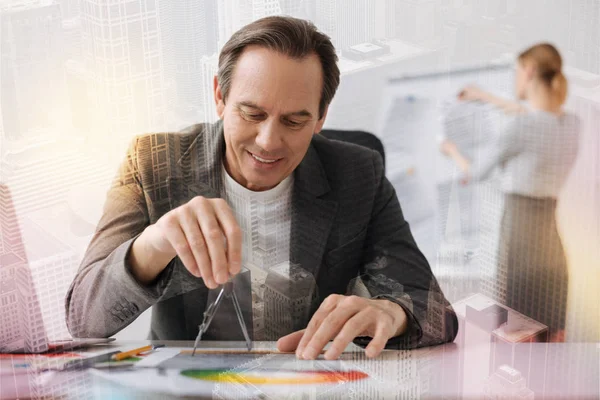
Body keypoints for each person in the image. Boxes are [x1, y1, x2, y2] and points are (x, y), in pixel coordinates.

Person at [66, 16, 458, 359]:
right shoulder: (152, 162)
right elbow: (83, 319)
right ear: (220, 96)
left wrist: (394, 313)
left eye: (294, 121)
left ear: (321, 117)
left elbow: (436, 312)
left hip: (309, 382)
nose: (269, 141)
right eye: (252, 113)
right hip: (190, 388)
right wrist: (152, 245)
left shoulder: (357, 172)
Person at [443, 43, 580, 342]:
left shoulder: (521, 127)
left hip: (521, 240)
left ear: (529, 72)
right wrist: (485, 97)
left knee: (518, 334)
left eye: (517, 72)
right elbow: (533, 118)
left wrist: (451, 150)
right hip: (552, 245)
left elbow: (475, 173)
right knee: (552, 334)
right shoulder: (573, 124)